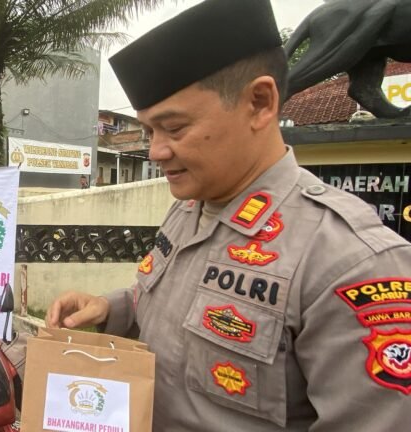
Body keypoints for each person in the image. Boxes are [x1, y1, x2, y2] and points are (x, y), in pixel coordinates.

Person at [47, 0, 411, 430]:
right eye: (149, 131)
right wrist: (110, 309)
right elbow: (169, 309)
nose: (156, 151)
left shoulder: (349, 260)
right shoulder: (188, 210)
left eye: (174, 128)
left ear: (259, 102)